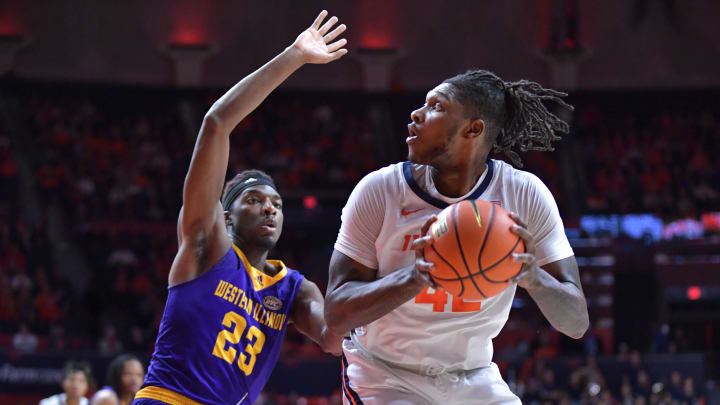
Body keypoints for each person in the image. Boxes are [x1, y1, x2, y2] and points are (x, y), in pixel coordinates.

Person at [325, 69, 590, 404]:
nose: (416, 114)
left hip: (473, 376)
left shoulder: (524, 194)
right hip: (384, 375)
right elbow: (335, 315)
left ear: (473, 129)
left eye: (436, 106)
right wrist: (416, 277)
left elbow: (576, 322)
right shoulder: (380, 190)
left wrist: (533, 276)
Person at [131, 10, 347, 405]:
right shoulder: (206, 244)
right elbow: (216, 123)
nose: (270, 209)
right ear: (226, 216)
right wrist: (295, 55)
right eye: (255, 200)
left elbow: (333, 338)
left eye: (277, 204)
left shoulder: (293, 289)